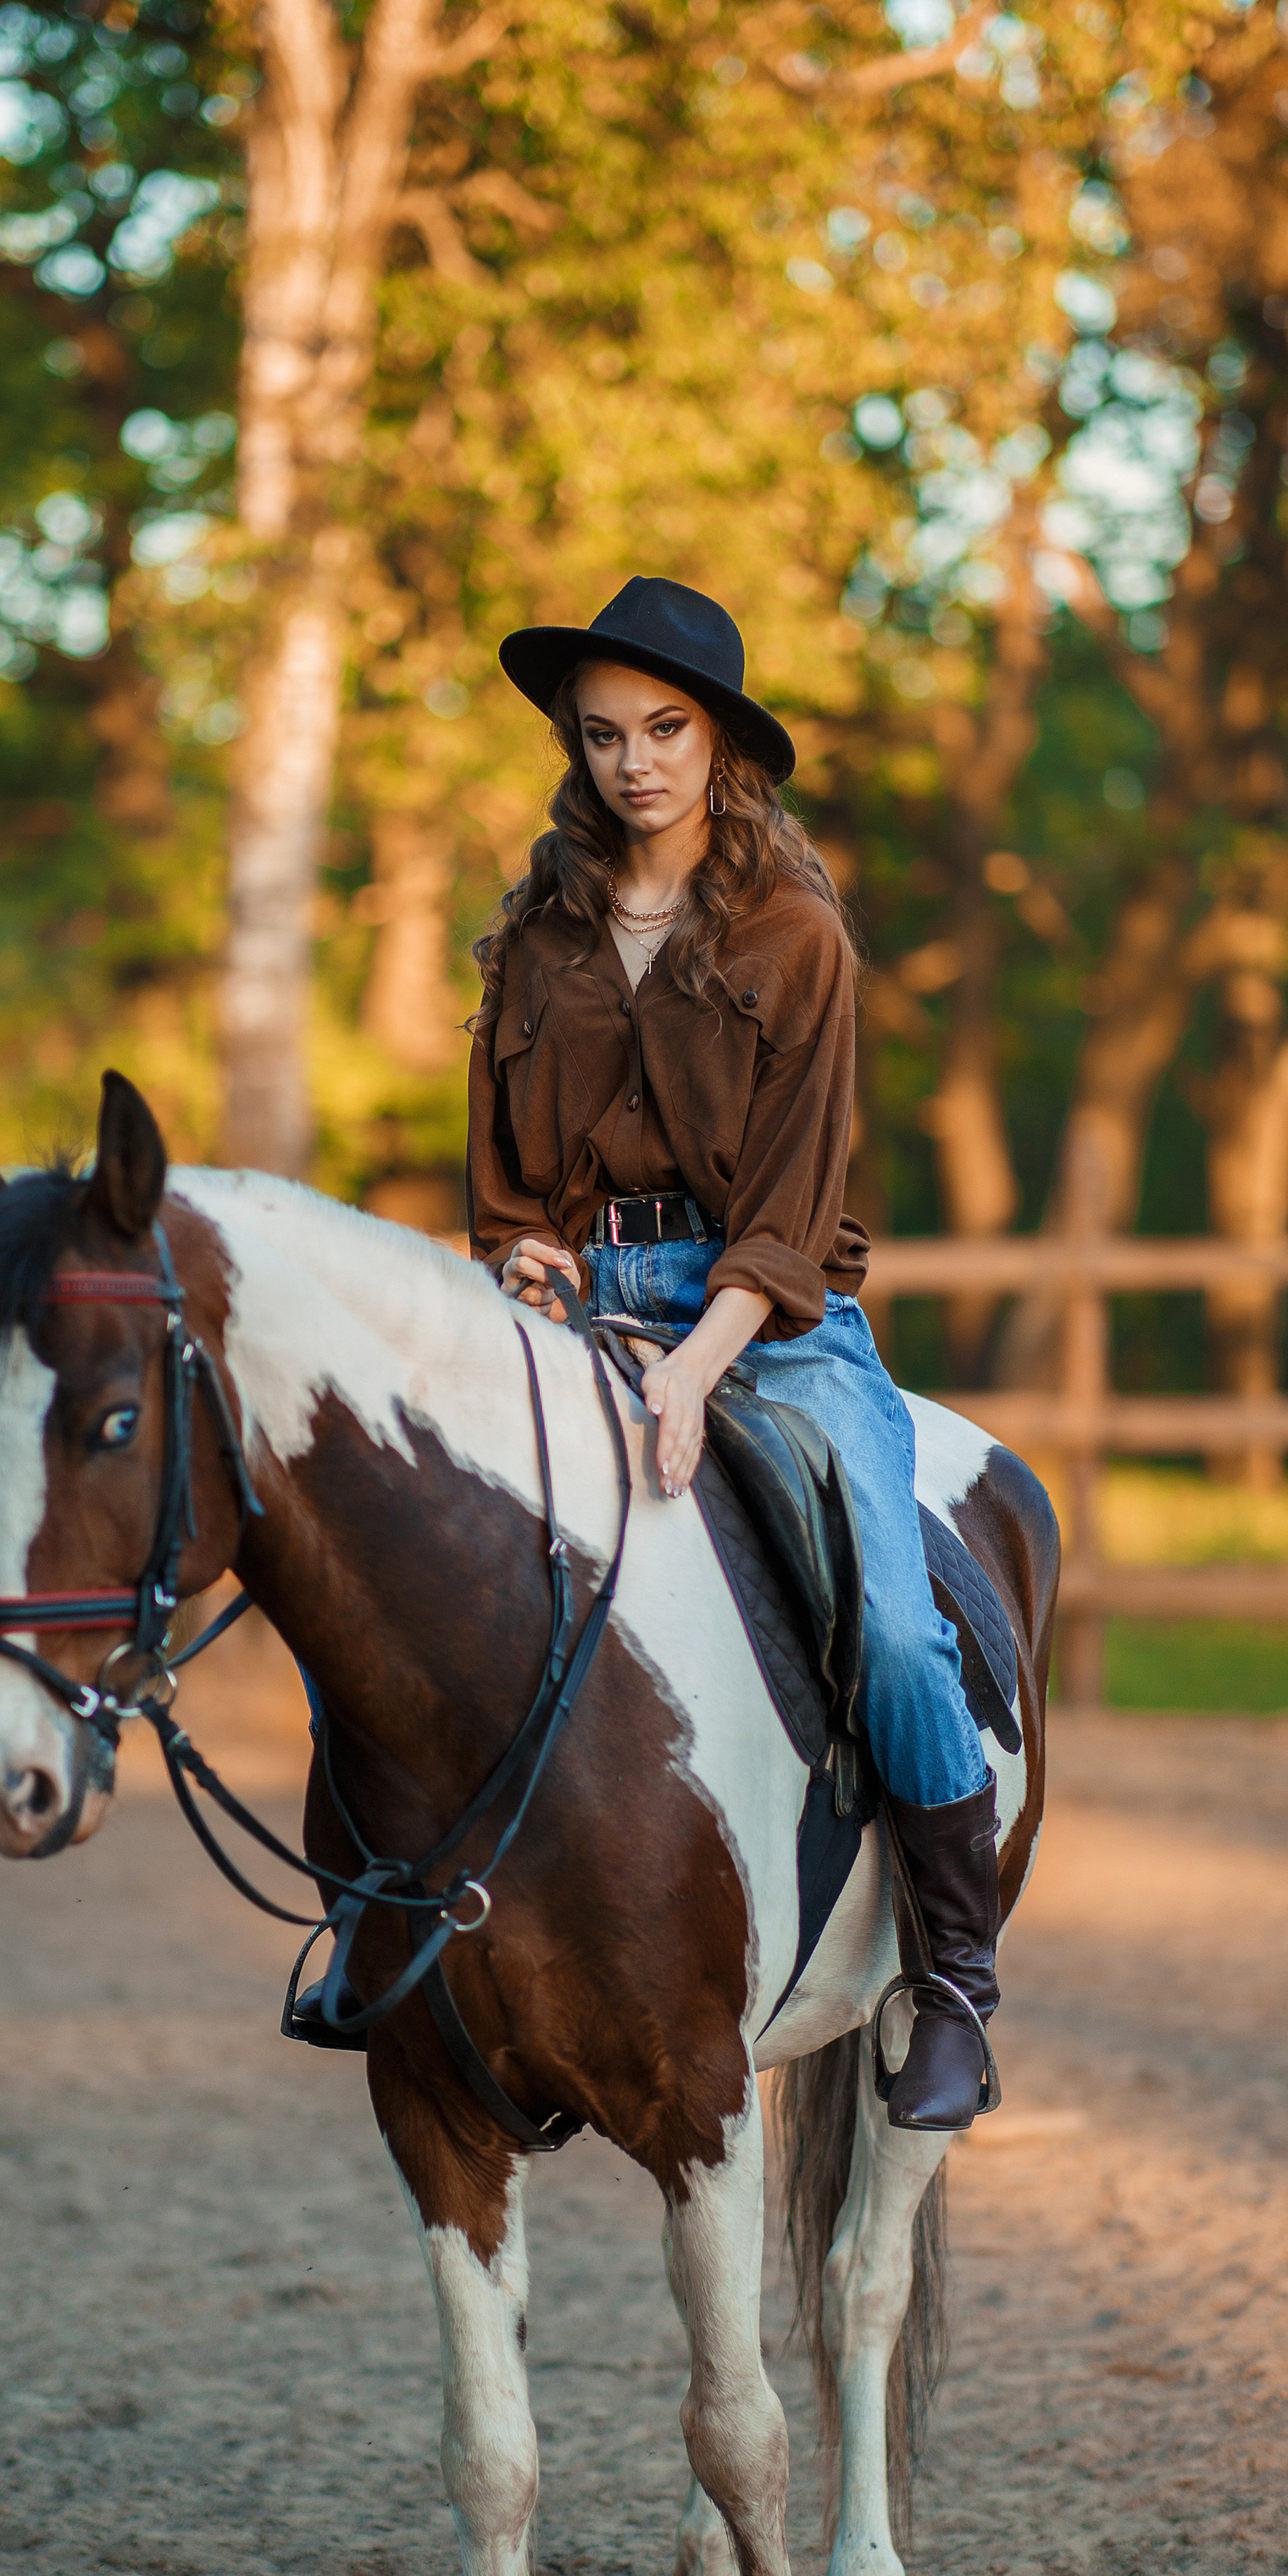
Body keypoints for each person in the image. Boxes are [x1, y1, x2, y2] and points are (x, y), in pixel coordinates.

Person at [467, 573, 999, 2133]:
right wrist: (517, 1253)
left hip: (765, 1317)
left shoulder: (795, 933)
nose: (635, 761)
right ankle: (456, 1949)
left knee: (896, 1633)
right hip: (576, 1309)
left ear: (721, 746)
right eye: (605, 733)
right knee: (432, 1555)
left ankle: (954, 1977)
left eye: (666, 729)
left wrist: (694, 1369)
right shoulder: (533, 936)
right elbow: (501, 1190)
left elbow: (789, 1217)